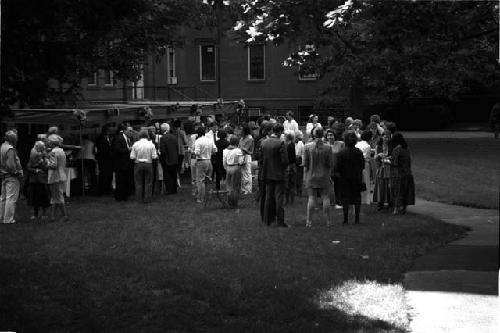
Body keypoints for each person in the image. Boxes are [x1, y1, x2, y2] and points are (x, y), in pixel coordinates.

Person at [304, 127, 334, 227]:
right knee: (325, 197)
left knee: (311, 198)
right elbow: (330, 164)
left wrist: (305, 178)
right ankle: (329, 221)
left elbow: (305, 164)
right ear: (323, 135)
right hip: (324, 176)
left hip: (311, 176)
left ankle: (309, 221)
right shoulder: (328, 147)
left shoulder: (307, 147)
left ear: (314, 134)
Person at [261, 123, 289, 227]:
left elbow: (261, 158)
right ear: (280, 132)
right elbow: (285, 160)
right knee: (279, 198)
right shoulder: (280, 143)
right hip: (278, 174)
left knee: (268, 197)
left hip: (267, 173)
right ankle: (280, 221)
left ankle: (267, 220)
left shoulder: (264, 142)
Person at [335, 131, 364, 224]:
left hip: (344, 179)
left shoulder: (341, 153)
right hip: (356, 178)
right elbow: (362, 165)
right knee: (357, 198)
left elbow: (337, 167)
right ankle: (357, 219)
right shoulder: (359, 152)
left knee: (345, 199)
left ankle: (346, 219)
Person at [0, 130, 23, 224]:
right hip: (11, 176)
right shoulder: (10, 149)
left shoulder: (2, 146)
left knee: (3, 198)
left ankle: (2, 217)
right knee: (11, 198)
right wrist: (17, 172)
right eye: (15, 139)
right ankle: (8, 219)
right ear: (13, 140)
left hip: (4, 175)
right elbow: (11, 165)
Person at [389, 133, 415, 214]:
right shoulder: (406, 148)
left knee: (397, 191)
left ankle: (396, 209)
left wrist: (386, 160)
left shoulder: (397, 149)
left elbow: (394, 162)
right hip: (407, 172)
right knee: (406, 191)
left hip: (398, 173)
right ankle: (404, 208)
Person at [130, 130, 158, 203]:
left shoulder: (135, 144)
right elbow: (154, 157)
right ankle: (147, 199)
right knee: (148, 182)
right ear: (147, 136)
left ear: (139, 136)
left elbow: (132, 157)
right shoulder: (151, 144)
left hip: (138, 164)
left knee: (138, 182)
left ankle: (139, 198)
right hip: (148, 164)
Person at [26, 141, 50, 220]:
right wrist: (36, 170)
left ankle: (44, 214)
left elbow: (46, 168)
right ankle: (35, 214)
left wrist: (43, 162)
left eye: (42, 148)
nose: (42, 149)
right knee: (35, 198)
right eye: (40, 147)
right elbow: (28, 167)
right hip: (34, 180)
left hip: (42, 180)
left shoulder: (45, 156)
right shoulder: (32, 156)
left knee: (44, 197)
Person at [47, 134, 68, 222]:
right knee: (56, 196)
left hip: (55, 176)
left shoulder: (53, 152)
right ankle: (52, 216)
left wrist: (46, 162)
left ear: (51, 143)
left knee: (58, 197)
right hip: (61, 175)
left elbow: (53, 165)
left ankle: (64, 216)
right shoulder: (61, 151)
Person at [194, 126, 217, 203]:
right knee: (208, 180)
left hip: (201, 161)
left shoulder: (198, 141)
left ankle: (200, 198)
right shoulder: (210, 140)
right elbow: (215, 150)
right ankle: (208, 196)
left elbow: (197, 152)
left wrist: (192, 152)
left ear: (198, 133)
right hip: (209, 161)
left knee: (201, 181)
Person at [112, 123, 133, 201]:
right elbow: (117, 150)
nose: (131, 132)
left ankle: (124, 196)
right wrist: (128, 149)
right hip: (120, 164)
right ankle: (119, 197)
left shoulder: (126, 138)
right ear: (125, 131)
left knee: (125, 180)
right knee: (120, 181)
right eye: (129, 131)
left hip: (125, 163)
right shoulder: (119, 138)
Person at [223, 136, 244, 208]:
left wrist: (226, 168)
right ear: (237, 142)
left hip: (228, 167)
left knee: (228, 186)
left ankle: (229, 202)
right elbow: (241, 162)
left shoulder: (225, 150)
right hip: (236, 167)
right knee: (235, 186)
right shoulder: (238, 150)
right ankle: (234, 203)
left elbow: (224, 162)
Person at [373, 131, 392, 210]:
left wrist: (389, 157)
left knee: (389, 186)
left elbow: (393, 156)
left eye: (388, 137)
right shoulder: (378, 146)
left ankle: (390, 202)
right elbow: (375, 158)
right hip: (381, 168)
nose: (386, 138)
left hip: (389, 167)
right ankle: (380, 203)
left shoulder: (391, 146)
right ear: (382, 137)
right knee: (380, 186)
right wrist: (379, 155)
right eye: (385, 137)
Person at [159, 123, 179, 195]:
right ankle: (174, 189)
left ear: (162, 129)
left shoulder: (162, 138)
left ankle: (169, 190)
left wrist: (163, 159)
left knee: (167, 176)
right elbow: (177, 148)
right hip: (175, 159)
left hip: (167, 160)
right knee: (174, 175)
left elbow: (163, 150)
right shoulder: (174, 137)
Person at [355, 130, 373, 205]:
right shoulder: (368, 146)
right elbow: (367, 158)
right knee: (366, 181)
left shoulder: (357, 144)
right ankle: (366, 200)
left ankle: (359, 198)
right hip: (365, 165)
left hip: (356, 165)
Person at [95, 125, 114, 195]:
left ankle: (107, 189)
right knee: (103, 175)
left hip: (108, 160)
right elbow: (101, 149)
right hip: (103, 159)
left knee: (109, 175)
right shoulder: (100, 138)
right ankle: (102, 190)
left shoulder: (108, 138)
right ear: (104, 130)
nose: (109, 132)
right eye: (108, 130)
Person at [171, 119, 188, 186]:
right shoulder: (182, 132)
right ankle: (178, 181)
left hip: (174, 152)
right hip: (181, 152)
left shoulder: (172, 133)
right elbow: (185, 142)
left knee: (175, 167)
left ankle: (176, 181)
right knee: (178, 167)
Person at [239, 124, 254, 195]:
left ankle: (248, 189)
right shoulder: (242, 138)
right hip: (241, 156)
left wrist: (242, 148)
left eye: (241, 130)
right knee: (242, 173)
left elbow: (246, 149)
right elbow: (240, 146)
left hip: (247, 156)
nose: (240, 131)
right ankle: (243, 189)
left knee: (247, 173)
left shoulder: (250, 138)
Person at [284, 132, 297, 205]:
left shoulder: (289, 145)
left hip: (289, 166)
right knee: (291, 183)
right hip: (292, 165)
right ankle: (290, 200)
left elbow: (289, 157)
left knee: (288, 184)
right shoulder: (292, 144)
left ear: (287, 138)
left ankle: (288, 200)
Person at [294, 130, 305, 197]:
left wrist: (302, 162)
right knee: (298, 177)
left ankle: (299, 192)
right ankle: (298, 191)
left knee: (299, 177)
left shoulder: (300, 143)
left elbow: (301, 154)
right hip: (298, 161)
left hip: (298, 161)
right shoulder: (299, 143)